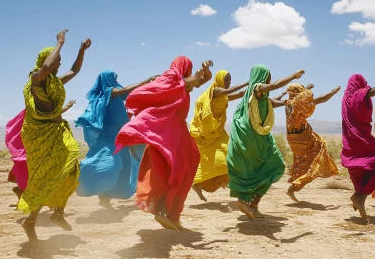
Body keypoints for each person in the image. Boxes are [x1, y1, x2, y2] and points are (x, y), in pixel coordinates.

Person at [114, 56, 212, 231]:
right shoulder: (175, 80)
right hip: (171, 135)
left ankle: (173, 216)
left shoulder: (179, 83)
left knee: (182, 170)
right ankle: (162, 211)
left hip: (174, 133)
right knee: (171, 171)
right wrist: (201, 70)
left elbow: (202, 80)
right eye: (189, 68)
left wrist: (205, 71)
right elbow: (197, 79)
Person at [19, 29, 91, 245]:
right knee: (44, 179)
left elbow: (74, 70)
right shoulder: (36, 79)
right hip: (39, 135)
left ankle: (57, 212)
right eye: (57, 60)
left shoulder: (54, 82)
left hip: (57, 132)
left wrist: (81, 51)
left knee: (70, 167)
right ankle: (30, 222)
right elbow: (48, 66)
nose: (58, 64)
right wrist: (60, 42)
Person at [227, 65, 305, 220]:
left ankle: (250, 204)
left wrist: (287, 103)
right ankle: (248, 203)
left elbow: (270, 103)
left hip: (253, 137)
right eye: (268, 75)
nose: (269, 78)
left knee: (256, 171)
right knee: (275, 166)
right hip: (256, 138)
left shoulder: (254, 95)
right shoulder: (257, 88)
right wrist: (293, 76)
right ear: (263, 76)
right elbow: (275, 85)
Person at [75, 71, 157, 207]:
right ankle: (85, 181)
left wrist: (151, 86)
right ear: (107, 80)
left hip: (121, 136)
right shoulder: (107, 93)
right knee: (111, 164)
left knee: (125, 166)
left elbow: (132, 91)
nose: (116, 81)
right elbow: (126, 89)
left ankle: (106, 196)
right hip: (109, 137)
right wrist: (146, 79)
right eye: (113, 78)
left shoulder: (117, 95)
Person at [274, 83, 340, 202]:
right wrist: (333, 92)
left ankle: (293, 188)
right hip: (303, 139)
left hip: (293, 140)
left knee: (303, 164)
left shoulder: (288, 104)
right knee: (315, 163)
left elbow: (301, 98)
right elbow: (321, 99)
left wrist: (308, 88)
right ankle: (294, 187)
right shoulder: (297, 104)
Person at [189, 70, 248, 202]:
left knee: (231, 154)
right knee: (217, 160)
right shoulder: (215, 91)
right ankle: (198, 182)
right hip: (207, 132)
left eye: (229, 80)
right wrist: (246, 82)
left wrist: (252, 90)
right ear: (220, 80)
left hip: (218, 131)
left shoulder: (223, 95)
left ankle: (199, 184)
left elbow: (237, 94)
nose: (228, 83)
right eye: (226, 80)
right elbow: (228, 91)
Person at [341, 74, 375, 220]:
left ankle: (359, 197)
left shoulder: (345, 98)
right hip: (361, 136)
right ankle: (359, 197)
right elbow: (370, 92)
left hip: (350, 139)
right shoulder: (357, 94)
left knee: (359, 167)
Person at [6, 100, 75, 205]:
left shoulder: (30, 111)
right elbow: (54, 113)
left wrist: (67, 107)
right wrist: (67, 106)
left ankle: (22, 191)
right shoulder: (35, 111)